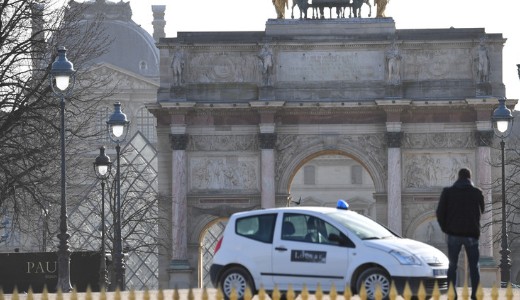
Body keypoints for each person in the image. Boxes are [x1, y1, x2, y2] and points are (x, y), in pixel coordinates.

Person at [436, 168, 484, 300]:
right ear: (469, 177)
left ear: (458, 177)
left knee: (452, 266)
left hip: (453, 233)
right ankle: (475, 294)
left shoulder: (448, 192)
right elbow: (483, 209)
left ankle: (452, 294)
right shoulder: (477, 192)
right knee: (474, 266)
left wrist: (445, 228)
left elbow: (439, 213)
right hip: (471, 234)